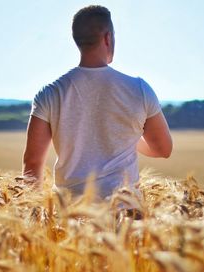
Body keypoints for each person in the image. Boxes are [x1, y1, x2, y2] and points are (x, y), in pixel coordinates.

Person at [22, 5, 172, 199]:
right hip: (125, 215)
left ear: (78, 40)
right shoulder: (140, 89)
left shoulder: (49, 93)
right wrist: (127, 137)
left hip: (69, 216)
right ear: (108, 37)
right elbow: (163, 149)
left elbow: (32, 162)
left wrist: (31, 213)